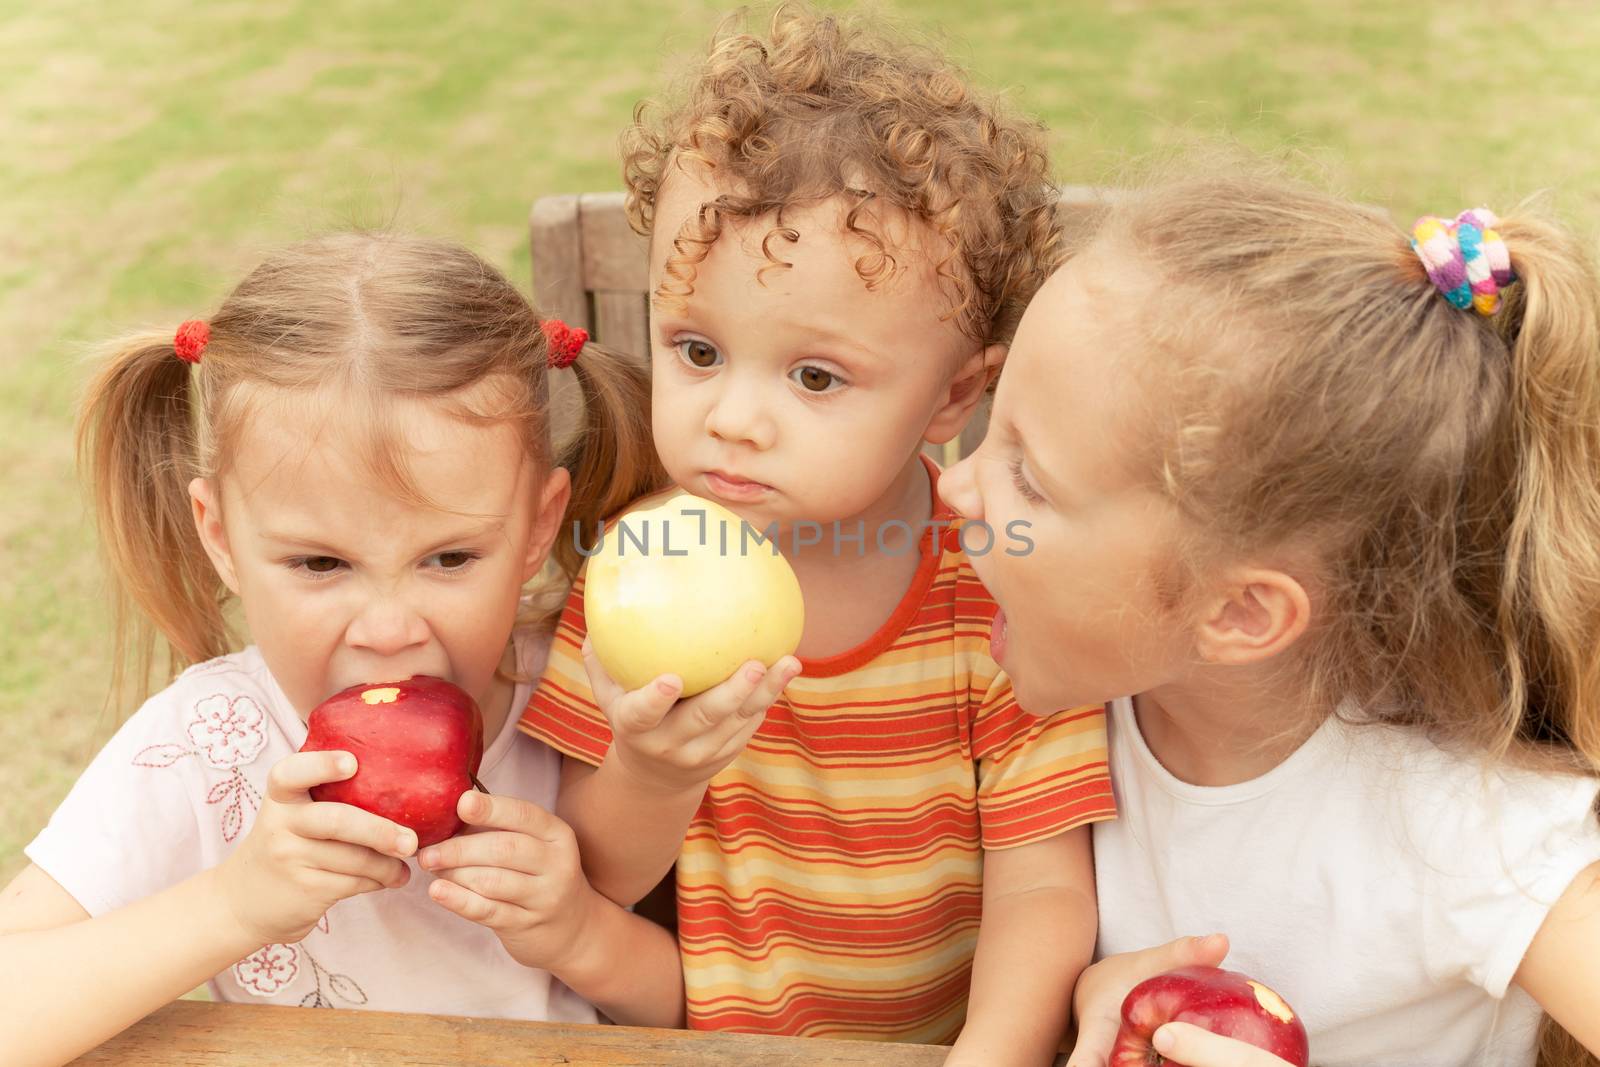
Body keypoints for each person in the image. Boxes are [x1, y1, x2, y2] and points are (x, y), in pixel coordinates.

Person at [520, 5, 1115, 1062]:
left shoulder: (994, 588)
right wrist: (655, 773)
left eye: (813, 376)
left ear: (950, 396)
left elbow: (1041, 883)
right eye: (696, 350)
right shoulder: (641, 564)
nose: (733, 416)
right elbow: (600, 877)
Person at [935, 168, 1600, 1067]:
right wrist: (1100, 992)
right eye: (990, 428)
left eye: (1029, 479)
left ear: (1240, 612)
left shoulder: (1465, 830)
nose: (956, 486)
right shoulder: (1077, 702)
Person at [0, 232, 681, 1067]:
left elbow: (687, 1004)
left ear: (539, 526)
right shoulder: (208, 745)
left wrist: (578, 925)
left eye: (449, 558)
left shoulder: (587, 687)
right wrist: (236, 904)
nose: (389, 629)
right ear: (220, 537)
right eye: (321, 563)